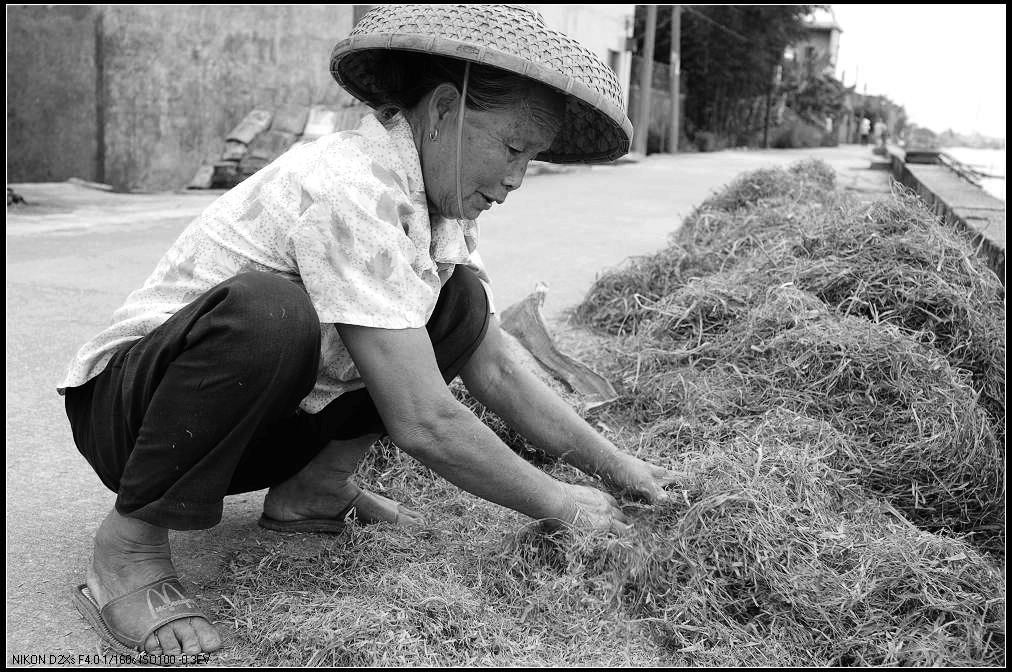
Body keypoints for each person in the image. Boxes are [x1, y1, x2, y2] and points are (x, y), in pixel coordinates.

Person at [58, 5, 677, 662]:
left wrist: (619, 469)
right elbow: (423, 419)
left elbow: (493, 366)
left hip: (249, 426)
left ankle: (311, 494)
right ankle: (129, 550)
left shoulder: (433, 212)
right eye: (514, 149)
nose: (515, 181)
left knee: (456, 302)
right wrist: (558, 503)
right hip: (129, 414)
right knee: (272, 316)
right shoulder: (351, 185)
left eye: (532, 159)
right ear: (443, 112)